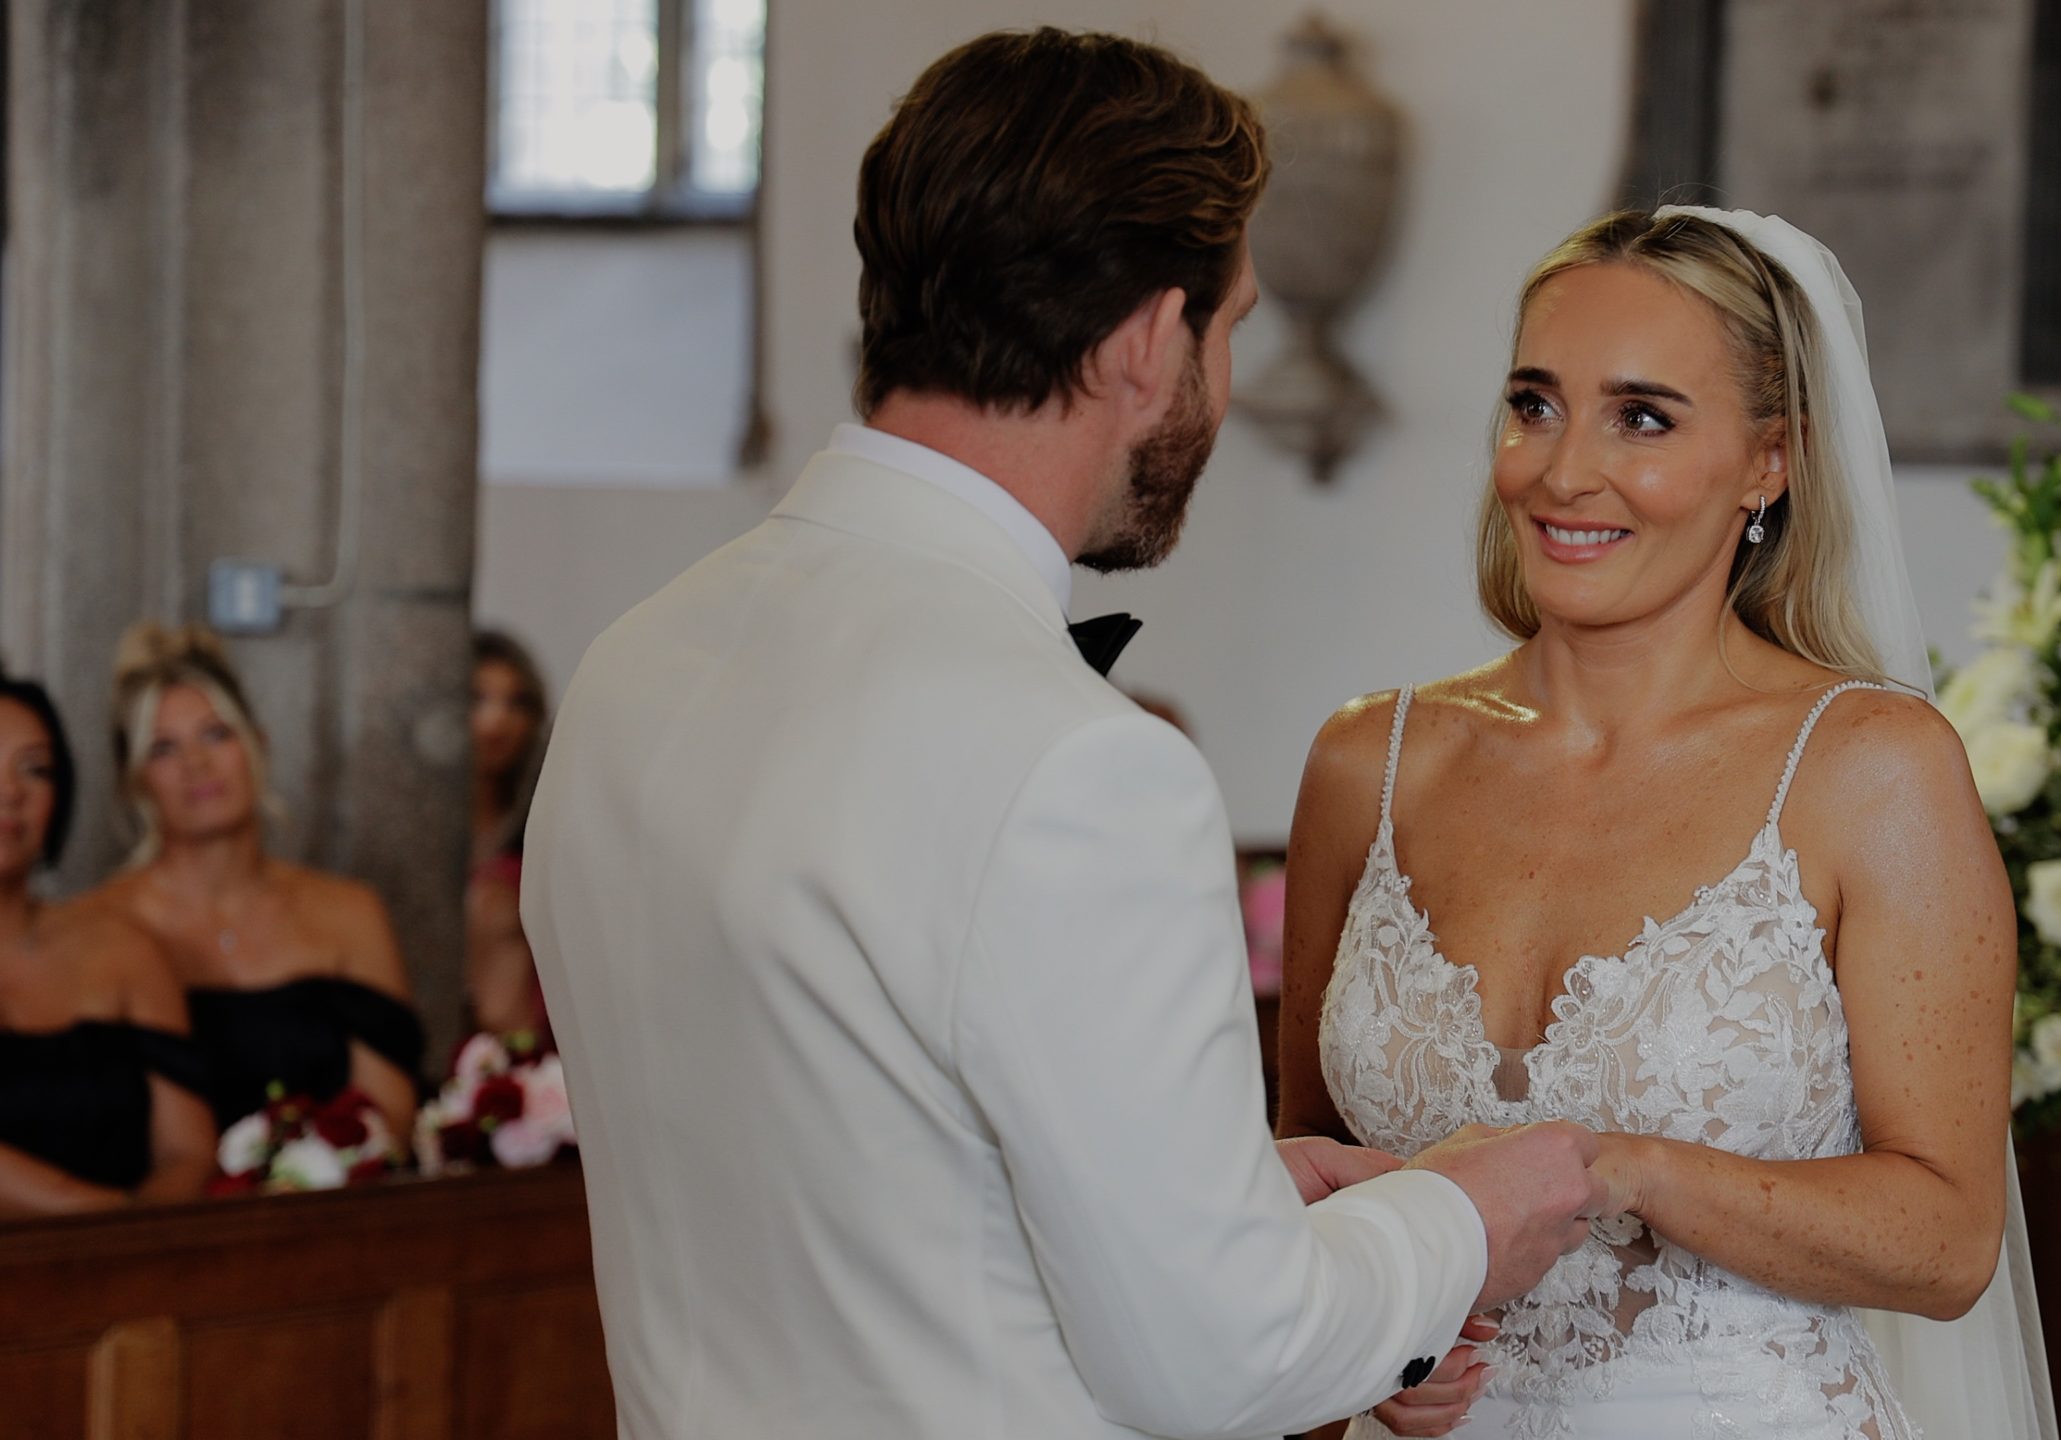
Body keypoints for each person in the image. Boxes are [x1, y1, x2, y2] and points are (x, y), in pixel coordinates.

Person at [522, 29, 1607, 1440]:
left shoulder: (632, 668)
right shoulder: (1080, 765)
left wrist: (1222, 1195)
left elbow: (845, 1167)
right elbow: (1225, 1359)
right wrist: (1465, 1219)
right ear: (1150, 342)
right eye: (1229, 328)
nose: (1218, 379)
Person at [1278, 208, 2058, 1440]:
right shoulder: (1366, 763)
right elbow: (1304, 1173)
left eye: (1642, 416)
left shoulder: (1872, 769)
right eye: (1535, 403)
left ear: (1770, 462)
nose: (1562, 469)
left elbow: (1948, 1241)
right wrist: (1366, 1349)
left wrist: (1615, 1165)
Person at [93, 624, 423, 1143]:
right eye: (163, 749)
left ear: (257, 745)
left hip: (333, 1208)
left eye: (215, 734)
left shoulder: (350, 912)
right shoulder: (102, 925)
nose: (195, 764)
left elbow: (391, 1120)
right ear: (134, 780)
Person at [0, 666, 216, 1215]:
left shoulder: (124, 950)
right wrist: (106, 1221)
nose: (9, 792)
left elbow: (186, 1151)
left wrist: (130, 1265)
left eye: (35, 769)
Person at [466, 631, 548, 1037]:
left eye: (515, 703)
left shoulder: (544, 829)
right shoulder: (411, 833)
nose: (496, 720)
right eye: (477, 699)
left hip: (523, 1052)